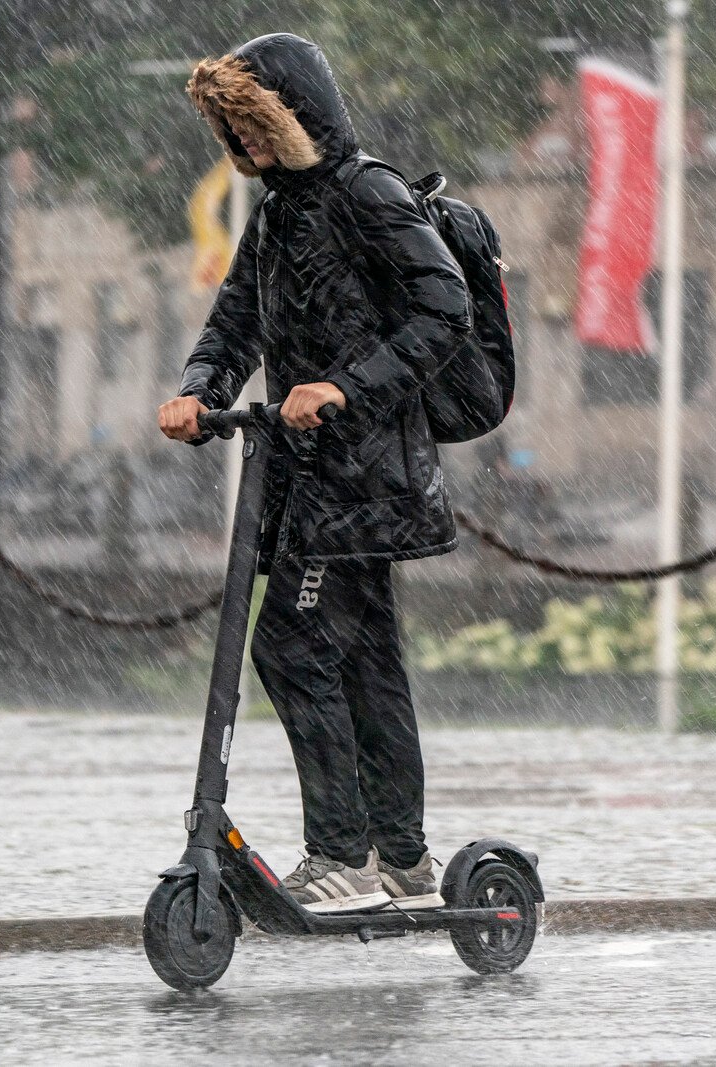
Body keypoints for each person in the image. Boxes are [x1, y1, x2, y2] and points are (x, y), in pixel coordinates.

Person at [157, 33, 471, 913]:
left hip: (366, 474)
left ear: (297, 114)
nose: (243, 143)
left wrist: (344, 387)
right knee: (367, 656)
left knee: (293, 644)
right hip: (310, 478)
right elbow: (234, 326)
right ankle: (403, 856)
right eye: (230, 128)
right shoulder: (280, 214)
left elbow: (444, 307)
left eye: (252, 122)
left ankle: (344, 854)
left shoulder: (368, 193)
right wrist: (198, 391)